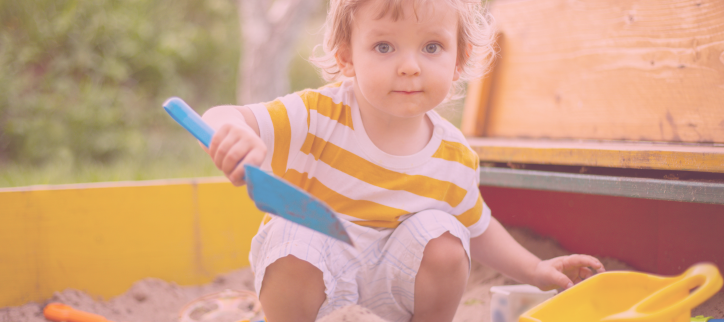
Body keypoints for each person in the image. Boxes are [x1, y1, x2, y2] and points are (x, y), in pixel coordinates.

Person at [200, 0, 605, 321]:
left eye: (432, 47)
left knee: (447, 234)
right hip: (314, 287)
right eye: (384, 46)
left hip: (395, 291)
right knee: (295, 233)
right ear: (347, 58)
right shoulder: (316, 115)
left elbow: (478, 229)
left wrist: (535, 270)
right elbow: (226, 115)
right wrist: (228, 132)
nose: (410, 67)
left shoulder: (454, 156)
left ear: (459, 59)